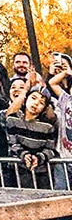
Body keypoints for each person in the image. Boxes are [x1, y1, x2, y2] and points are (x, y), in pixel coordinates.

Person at [1, 85, 58, 188]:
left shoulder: (48, 126)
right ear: (26, 98)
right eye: (33, 98)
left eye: (41, 103)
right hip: (16, 170)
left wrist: (39, 158)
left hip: (41, 173)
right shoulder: (12, 119)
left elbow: (50, 149)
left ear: (44, 108)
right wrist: (24, 155)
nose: (36, 103)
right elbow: (12, 143)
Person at [45, 52, 72, 189]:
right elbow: (51, 83)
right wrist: (65, 73)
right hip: (63, 157)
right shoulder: (66, 99)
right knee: (61, 194)